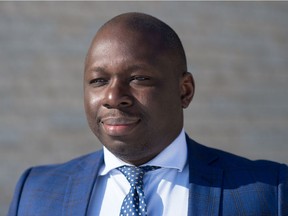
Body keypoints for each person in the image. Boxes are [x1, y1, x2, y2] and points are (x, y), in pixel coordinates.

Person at [8, 12, 288, 216]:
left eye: (139, 78)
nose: (113, 97)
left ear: (185, 91)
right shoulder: (36, 192)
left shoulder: (269, 191)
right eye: (98, 81)